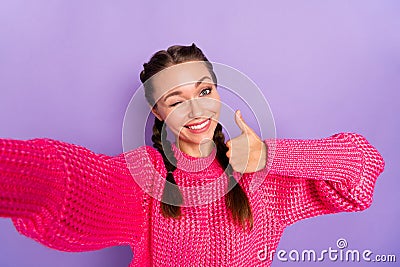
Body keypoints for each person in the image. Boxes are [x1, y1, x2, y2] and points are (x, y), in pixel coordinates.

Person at [0, 44, 385, 266]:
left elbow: (362, 166)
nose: (196, 111)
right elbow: (66, 181)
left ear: (218, 93)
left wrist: (268, 156)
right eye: (175, 100)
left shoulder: (256, 173)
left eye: (203, 92)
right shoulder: (147, 179)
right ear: (158, 112)